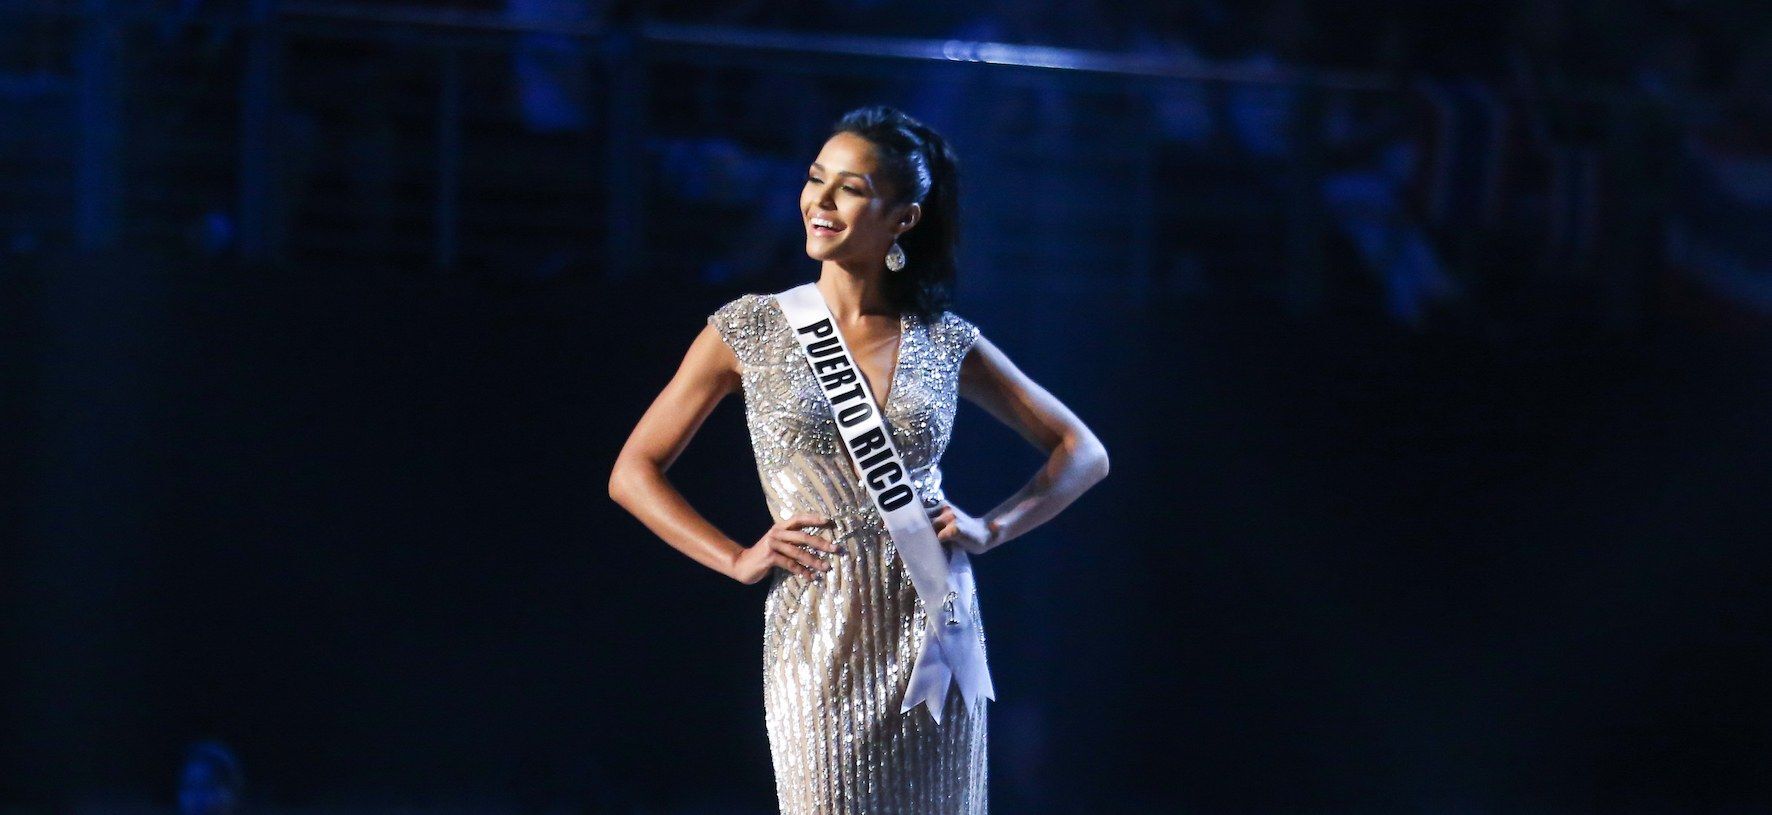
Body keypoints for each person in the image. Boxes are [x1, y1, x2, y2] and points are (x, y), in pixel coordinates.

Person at [608, 104, 1110, 813]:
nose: (820, 199)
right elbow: (633, 469)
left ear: (902, 218)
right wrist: (735, 557)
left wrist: (992, 529)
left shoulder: (944, 339)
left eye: (850, 187)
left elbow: (1083, 451)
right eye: (817, 179)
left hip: (933, 630)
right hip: (817, 630)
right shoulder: (749, 326)